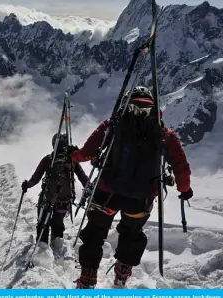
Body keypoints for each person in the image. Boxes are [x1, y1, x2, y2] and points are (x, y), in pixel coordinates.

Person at [68, 86, 192, 288]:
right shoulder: (163, 133)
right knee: (131, 233)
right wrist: (184, 189)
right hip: (140, 199)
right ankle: (122, 273)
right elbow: (180, 165)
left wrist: (73, 155)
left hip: (106, 194)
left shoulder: (113, 124)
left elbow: (87, 153)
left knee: (95, 231)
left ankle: (87, 276)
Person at [22, 133, 89, 248]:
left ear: (54, 144)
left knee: (43, 223)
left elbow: (36, 178)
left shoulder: (48, 159)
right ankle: (57, 246)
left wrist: (27, 185)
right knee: (58, 224)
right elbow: (83, 177)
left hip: (47, 198)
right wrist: (90, 188)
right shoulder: (72, 161)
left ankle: (42, 249)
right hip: (64, 200)